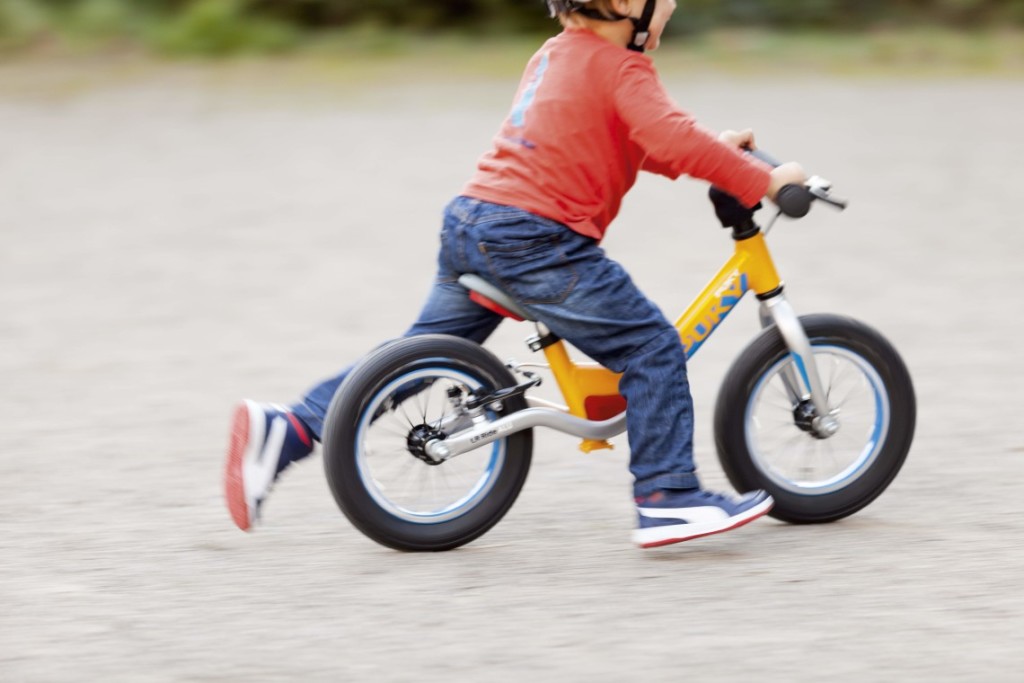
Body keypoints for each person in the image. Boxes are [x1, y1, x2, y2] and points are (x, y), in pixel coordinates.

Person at [223, 0, 807, 548]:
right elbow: (667, 137)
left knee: (425, 355)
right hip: (537, 240)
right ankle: (668, 495)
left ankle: (292, 430)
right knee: (651, 345)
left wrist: (719, 151)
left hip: (473, 224)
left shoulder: (555, 54)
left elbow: (642, 140)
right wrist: (766, 181)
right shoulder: (624, 69)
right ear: (628, 4)